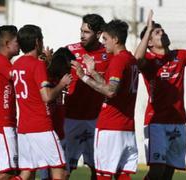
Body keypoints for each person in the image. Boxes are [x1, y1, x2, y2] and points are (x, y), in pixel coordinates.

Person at [134, 7, 186, 180]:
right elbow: (136, 60)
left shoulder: (180, 55)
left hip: (178, 121)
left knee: (168, 173)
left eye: (162, 30)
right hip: (156, 122)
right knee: (156, 172)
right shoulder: (148, 61)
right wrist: (147, 30)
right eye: (157, 32)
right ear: (149, 42)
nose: (162, 32)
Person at [72, 19, 139, 180]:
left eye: (106, 39)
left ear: (115, 39)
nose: (104, 43)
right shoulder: (131, 59)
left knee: (103, 175)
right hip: (127, 128)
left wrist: (83, 78)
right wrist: (93, 72)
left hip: (111, 126)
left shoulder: (118, 60)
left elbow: (110, 91)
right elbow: (112, 86)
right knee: (123, 175)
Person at [11, 24, 71, 180]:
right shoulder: (37, 64)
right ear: (37, 42)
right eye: (42, 39)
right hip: (41, 127)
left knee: (26, 173)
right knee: (60, 172)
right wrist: (62, 84)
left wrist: (46, 63)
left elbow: (31, 82)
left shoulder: (17, 64)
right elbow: (47, 96)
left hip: (24, 128)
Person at [64, 13, 110, 179]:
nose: (82, 35)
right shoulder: (69, 51)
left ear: (98, 34)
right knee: (64, 170)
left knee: (98, 169)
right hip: (70, 118)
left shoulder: (108, 53)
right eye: (81, 31)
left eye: (87, 32)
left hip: (97, 119)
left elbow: (112, 85)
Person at [0, 25, 20, 180]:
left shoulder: (5, 62)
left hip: (7, 123)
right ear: (7, 44)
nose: (19, 45)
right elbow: (20, 77)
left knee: (18, 172)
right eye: (17, 42)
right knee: (8, 172)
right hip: (1, 124)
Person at [39, 47, 75, 180]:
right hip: (47, 135)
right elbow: (47, 97)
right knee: (48, 176)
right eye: (67, 67)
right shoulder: (45, 76)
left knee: (65, 174)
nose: (68, 71)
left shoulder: (59, 78)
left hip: (61, 133)